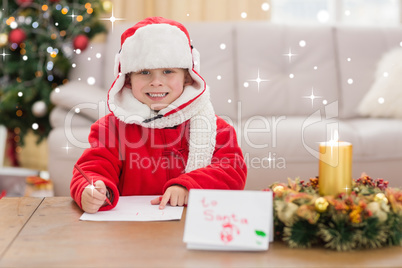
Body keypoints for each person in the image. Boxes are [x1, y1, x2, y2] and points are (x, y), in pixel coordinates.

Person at [70, 17, 247, 213]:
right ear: (128, 79)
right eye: (144, 72)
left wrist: (187, 186)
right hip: (131, 231)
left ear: (187, 77)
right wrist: (92, 191)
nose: (156, 82)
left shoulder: (216, 129)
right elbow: (91, 169)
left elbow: (232, 171)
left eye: (168, 71)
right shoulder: (111, 128)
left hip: (188, 228)